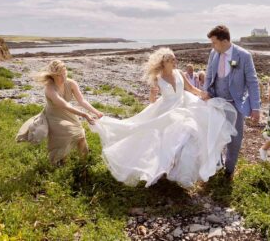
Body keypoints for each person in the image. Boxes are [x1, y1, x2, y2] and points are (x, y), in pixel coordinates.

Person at [90, 48, 237, 188]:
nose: (175, 61)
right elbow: (153, 100)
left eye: (175, 59)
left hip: (184, 107)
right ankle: (162, 170)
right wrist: (153, 94)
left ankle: (181, 173)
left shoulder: (179, 73)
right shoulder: (158, 78)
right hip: (166, 111)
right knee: (160, 141)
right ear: (164, 62)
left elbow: (191, 89)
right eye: (172, 59)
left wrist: (204, 95)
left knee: (188, 136)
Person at [203, 25, 260, 179]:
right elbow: (209, 75)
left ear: (224, 40)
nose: (212, 46)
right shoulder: (214, 54)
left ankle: (229, 170)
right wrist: (205, 91)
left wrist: (256, 107)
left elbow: (253, 82)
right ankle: (216, 165)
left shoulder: (244, 56)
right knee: (214, 136)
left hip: (235, 104)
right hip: (215, 102)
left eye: (214, 42)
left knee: (234, 139)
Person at [32, 60, 102, 165]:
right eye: (60, 75)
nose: (64, 77)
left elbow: (81, 100)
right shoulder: (50, 88)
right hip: (54, 116)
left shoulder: (71, 83)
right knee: (67, 136)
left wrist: (96, 112)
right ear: (53, 76)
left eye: (65, 73)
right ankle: (59, 163)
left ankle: (85, 162)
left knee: (81, 136)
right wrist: (85, 115)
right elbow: (65, 105)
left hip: (69, 114)